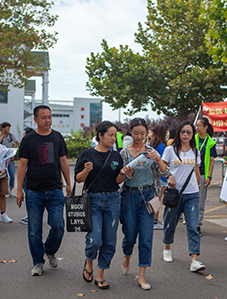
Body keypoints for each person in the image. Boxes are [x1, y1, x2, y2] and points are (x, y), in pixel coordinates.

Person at [16, 105, 72, 276]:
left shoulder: (57, 137)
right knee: (34, 230)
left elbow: (63, 161)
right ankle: (37, 262)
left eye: (49, 117)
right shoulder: (28, 139)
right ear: (35, 120)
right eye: (43, 117)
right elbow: (22, 164)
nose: (47, 120)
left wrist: (68, 184)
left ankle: (49, 250)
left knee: (58, 226)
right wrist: (19, 190)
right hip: (34, 191)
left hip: (55, 189)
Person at [75, 121, 131, 290]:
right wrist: (86, 171)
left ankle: (100, 274)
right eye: (111, 135)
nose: (114, 138)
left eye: (116, 135)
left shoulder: (116, 156)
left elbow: (117, 181)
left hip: (113, 199)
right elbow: (78, 179)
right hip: (93, 200)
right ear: (100, 135)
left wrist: (124, 174)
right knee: (94, 239)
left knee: (109, 241)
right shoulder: (87, 154)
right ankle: (89, 260)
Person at [120, 117, 170, 290]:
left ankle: (142, 276)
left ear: (147, 133)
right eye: (136, 133)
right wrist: (126, 172)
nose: (139, 136)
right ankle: (127, 254)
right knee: (130, 235)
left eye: (142, 133)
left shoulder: (151, 151)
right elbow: (119, 180)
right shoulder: (124, 153)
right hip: (129, 196)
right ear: (130, 133)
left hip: (149, 195)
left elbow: (166, 173)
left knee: (146, 237)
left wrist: (158, 159)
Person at [162, 121, 206, 272]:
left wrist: (198, 191)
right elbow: (162, 167)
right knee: (170, 224)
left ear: (193, 134)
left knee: (193, 226)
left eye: (189, 132)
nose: (186, 135)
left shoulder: (195, 151)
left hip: (192, 194)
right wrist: (168, 176)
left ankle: (194, 259)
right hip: (174, 194)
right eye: (183, 132)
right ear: (178, 133)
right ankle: (167, 247)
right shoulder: (170, 150)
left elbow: (197, 172)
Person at [195, 117, 217, 234]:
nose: (197, 128)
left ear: (206, 127)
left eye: (199, 126)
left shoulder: (211, 142)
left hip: (203, 174)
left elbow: (212, 160)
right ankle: (190, 222)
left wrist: (209, 176)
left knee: (200, 200)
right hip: (191, 174)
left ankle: (197, 225)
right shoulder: (192, 139)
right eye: (196, 126)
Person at [149, 124, 167, 230]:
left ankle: (153, 219)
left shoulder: (152, 144)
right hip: (161, 175)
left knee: (154, 198)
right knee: (158, 199)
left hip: (152, 175)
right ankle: (155, 221)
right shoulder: (162, 146)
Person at [19, 127, 34, 225]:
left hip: (29, 173)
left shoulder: (27, 144)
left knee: (30, 195)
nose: (23, 136)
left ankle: (30, 216)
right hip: (29, 172)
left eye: (24, 134)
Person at [1, 122, 18, 198]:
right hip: (2, 158)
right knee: (3, 175)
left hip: (10, 158)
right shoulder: (0, 136)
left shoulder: (11, 135)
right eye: (7, 128)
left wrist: (14, 152)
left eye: (9, 128)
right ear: (3, 128)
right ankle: (4, 191)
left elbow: (16, 142)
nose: (8, 130)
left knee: (12, 174)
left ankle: (11, 190)